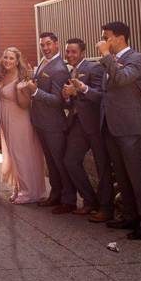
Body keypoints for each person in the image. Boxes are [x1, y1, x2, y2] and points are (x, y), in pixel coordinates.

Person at [97, 21, 141, 240]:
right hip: (111, 126)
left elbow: (123, 79)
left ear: (120, 38)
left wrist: (106, 56)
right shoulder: (111, 61)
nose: (104, 42)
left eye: (107, 37)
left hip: (130, 127)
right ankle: (130, 216)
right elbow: (107, 94)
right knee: (122, 176)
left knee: (137, 176)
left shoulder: (137, 58)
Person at [61, 38, 113, 222]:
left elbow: (100, 96)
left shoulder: (94, 68)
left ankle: (107, 209)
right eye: (67, 51)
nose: (70, 55)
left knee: (102, 167)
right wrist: (67, 96)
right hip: (77, 124)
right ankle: (90, 200)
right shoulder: (71, 70)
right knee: (70, 161)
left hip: (95, 125)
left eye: (73, 52)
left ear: (82, 52)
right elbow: (72, 100)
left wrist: (81, 89)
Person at [26, 32, 76, 214]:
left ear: (56, 44)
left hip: (54, 124)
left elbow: (58, 100)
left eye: (48, 44)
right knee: (51, 162)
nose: (45, 48)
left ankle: (68, 199)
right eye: (42, 45)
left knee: (60, 162)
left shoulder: (60, 68)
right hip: (40, 122)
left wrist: (35, 91)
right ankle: (56, 194)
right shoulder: (43, 62)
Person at [0, 47, 46, 204]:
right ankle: (18, 187)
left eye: (11, 58)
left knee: (21, 154)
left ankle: (28, 191)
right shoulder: (3, 74)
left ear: (17, 61)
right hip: (5, 119)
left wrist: (19, 90)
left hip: (18, 119)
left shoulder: (21, 78)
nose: (7, 61)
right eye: (5, 57)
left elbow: (25, 104)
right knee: (12, 155)